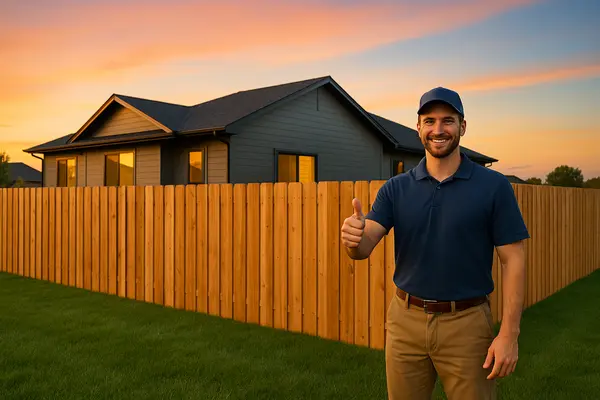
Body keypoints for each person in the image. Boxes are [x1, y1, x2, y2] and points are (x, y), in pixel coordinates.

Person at [340, 87, 529, 400]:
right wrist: (353, 237)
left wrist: (509, 334)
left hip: (466, 324)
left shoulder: (493, 186)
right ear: (418, 128)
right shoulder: (396, 189)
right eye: (429, 121)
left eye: (448, 121)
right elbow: (362, 247)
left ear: (462, 126)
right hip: (405, 321)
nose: (438, 129)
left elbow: (514, 260)